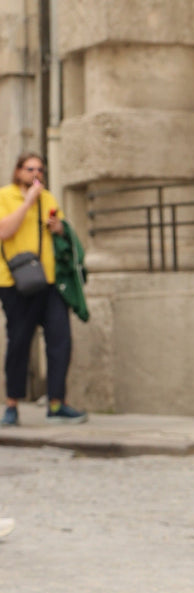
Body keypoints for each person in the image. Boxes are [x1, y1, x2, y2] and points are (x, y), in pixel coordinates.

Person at [0, 152, 87, 426]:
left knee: (61, 341)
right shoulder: (5, 196)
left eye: (40, 169)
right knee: (19, 343)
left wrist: (60, 228)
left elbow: (60, 230)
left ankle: (56, 403)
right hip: (15, 282)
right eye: (30, 169)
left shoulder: (48, 198)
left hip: (49, 283)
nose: (36, 173)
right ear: (18, 172)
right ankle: (12, 405)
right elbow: (4, 231)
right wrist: (28, 202)